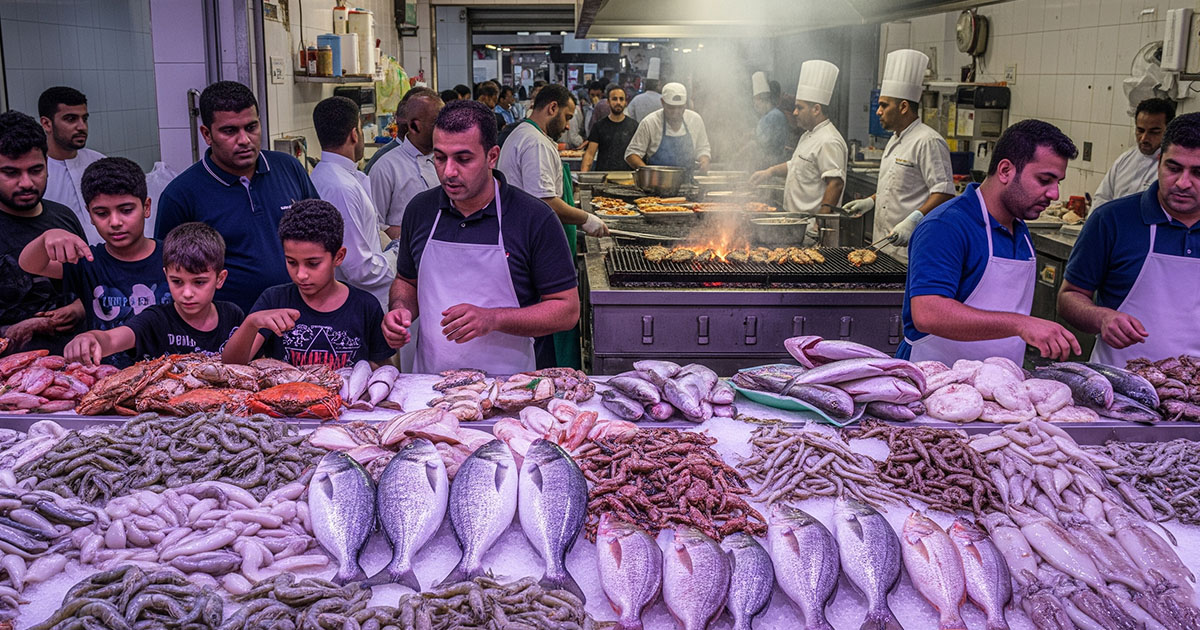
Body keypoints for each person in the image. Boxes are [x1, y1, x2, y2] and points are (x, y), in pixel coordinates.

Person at [380, 100, 580, 373]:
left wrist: (494, 318)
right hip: (431, 385)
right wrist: (400, 309)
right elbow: (406, 280)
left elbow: (566, 310)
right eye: (439, 158)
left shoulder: (533, 218)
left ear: (492, 156)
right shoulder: (420, 210)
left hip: (512, 387)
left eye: (463, 159)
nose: (449, 172)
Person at [899, 119, 1082, 364]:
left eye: (1058, 182)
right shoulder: (946, 226)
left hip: (999, 384)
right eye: (1044, 180)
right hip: (935, 381)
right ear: (1006, 170)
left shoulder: (1020, 230)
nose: (1054, 194)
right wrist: (1021, 324)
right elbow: (928, 312)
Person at [155, 81, 318, 313]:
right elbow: (169, 272)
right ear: (207, 134)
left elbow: (319, 237)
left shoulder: (288, 168)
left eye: (251, 127)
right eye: (230, 131)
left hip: (298, 316)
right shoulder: (181, 195)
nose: (244, 140)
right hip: (229, 329)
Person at [1059, 112, 1200, 364]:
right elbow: (1069, 298)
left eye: (1198, 172)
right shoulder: (1112, 220)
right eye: (1173, 168)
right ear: (1158, 162)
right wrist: (1101, 318)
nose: (1183, 182)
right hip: (1118, 385)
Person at [20, 157, 172, 367]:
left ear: (146, 207)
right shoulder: (87, 261)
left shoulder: (173, 255)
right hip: (106, 378)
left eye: (126, 210)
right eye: (102, 213)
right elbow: (29, 264)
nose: (115, 222)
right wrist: (46, 237)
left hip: (172, 371)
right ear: (90, 215)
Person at [222, 199, 394, 369]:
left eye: (313, 264)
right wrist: (252, 323)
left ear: (339, 256)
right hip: (285, 395)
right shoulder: (274, 300)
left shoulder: (365, 306)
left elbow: (383, 367)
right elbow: (232, 365)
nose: (301, 275)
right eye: (291, 262)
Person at [64, 222, 243, 364]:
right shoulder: (155, 319)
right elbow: (112, 339)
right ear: (166, 276)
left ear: (220, 279)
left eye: (199, 282)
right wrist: (90, 338)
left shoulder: (232, 315)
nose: (187, 293)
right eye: (177, 281)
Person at [844, 50, 954, 263]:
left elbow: (945, 193)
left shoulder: (928, 141)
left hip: (910, 251)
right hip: (883, 247)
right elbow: (897, 187)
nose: (878, 111)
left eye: (884, 105)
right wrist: (871, 201)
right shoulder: (895, 139)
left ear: (903, 106)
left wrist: (913, 220)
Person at [0, 111, 87, 353]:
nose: (26, 182)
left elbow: (92, 285)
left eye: (35, 170)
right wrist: (25, 327)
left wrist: (80, 307)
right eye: (11, 173)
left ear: (47, 164)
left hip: (76, 365)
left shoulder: (64, 217)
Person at [310, 96, 397, 309]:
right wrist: (399, 253)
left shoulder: (330, 176)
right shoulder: (340, 188)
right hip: (362, 304)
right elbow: (360, 270)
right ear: (354, 134)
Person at [498, 84, 608, 239]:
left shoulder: (524, 132)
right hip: (528, 239)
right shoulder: (536, 143)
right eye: (567, 117)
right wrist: (586, 219)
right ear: (553, 108)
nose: (568, 126)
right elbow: (544, 202)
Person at [750, 61, 847, 216]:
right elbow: (795, 165)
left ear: (816, 109)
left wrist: (820, 220)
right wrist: (770, 171)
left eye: (799, 107)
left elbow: (835, 183)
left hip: (811, 226)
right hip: (797, 221)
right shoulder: (808, 135)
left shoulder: (829, 140)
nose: (794, 112)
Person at [370, 89, 443, 238]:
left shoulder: (447, 161)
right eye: (437, 123)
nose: (444, 128)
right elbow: (374, 227)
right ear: (414, 126)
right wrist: (421, 234)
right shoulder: (386, 167)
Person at [38, 86, 105, 245]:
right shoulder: (36, 174)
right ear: (47, 124)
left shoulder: (99, 162)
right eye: (71, 119)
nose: (81, 127)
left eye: (84, 118)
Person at [1092, 98, 1176, 208]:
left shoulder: (1174, 167)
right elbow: (1102, 198)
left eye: (1154, 132)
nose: (1144, 138)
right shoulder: (1124, 160)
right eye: (1140, 130)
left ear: (1168, 131)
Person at [625, 82, 712, 173]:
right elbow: (631, 154)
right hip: (657, 183)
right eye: (671, 108)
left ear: (685, 104)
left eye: (680, 107)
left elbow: (702, 148)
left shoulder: (695, 120)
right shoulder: (650, 123)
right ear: (662, 102)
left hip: (688, 182)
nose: (676, 112)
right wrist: (649, 173)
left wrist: (704, 159)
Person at [363, 87, 439, 176]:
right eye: (435, 122)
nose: (442, 129)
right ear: (413, 126)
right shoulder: (384, 164)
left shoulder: (436, 156)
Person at [582, 86, 639, 173]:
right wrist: (583, 176)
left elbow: (638, 153)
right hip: (603, 179)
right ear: (608, 102)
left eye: (621, 99)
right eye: (614, 99)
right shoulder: (599, 126)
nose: (618, 102)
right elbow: (589, 155)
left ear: (625, 102)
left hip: (628, 179)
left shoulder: (634, 126)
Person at [745, 73, 794, 170]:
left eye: (757, 105)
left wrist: (739, 154)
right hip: (769, 163)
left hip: (772, 163)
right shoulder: (767, 116)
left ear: (763, 100)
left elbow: (761, 144)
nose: (756, 108)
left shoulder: (773, 116)